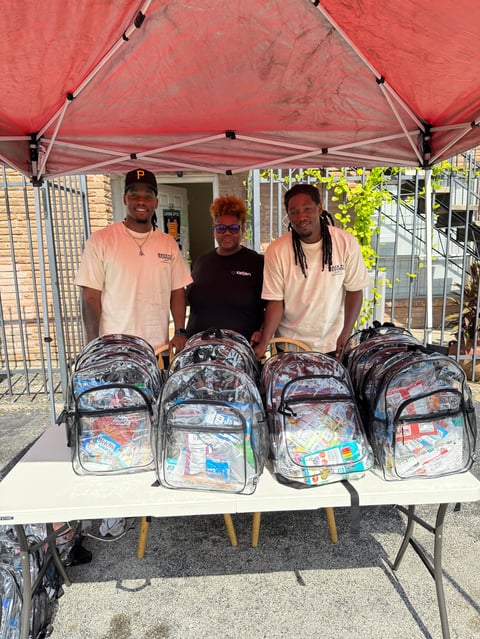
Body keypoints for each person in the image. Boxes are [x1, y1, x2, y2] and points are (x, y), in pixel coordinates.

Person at [75, 168, 192, 537]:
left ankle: (150, 495)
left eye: (148, 195)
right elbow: (90, 296)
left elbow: (179, 291)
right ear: (125, 198)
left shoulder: (167, 244)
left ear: (156, 201)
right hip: (114, 354)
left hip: (156, 352)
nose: (141, 201)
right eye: (135, 194)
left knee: (151, 422)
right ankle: (114, 507)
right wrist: (93, 344)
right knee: (114, 426)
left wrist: (180, 330)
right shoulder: (102, 240)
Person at [253, 183, 370, 360]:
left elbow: (354, 290)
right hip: (288, 344)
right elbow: (275, 302)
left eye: (307, 209)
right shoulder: (276, 250)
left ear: (320, 208)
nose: (301, 216)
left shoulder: (345, 242)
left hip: (333, 343)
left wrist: (346, 333)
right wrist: (264, 343)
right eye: (294, 212)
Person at [186, 195, 264, 345]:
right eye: (221, 228)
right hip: (198, 352)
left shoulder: (258, 263)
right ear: (214, 229)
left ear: (243, 229)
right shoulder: (202, 261)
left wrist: (263, 331)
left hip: (240, 353)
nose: (227, 233)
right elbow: (189, 299)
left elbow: (274, 304)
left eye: (234, 228)